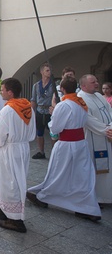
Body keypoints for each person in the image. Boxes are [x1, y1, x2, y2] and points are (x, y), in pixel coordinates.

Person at [28, 76, 101, 222]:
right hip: (81, 143)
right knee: (82, 177)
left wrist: (54, 112)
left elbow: (55, 128)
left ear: (62, 89)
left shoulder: (64, 105)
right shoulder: (81, 102)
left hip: (66, 144)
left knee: (58, 174)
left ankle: (44, 196)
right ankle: (86, 206)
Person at [0, 78, 36, 233]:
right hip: (23, 147)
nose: (1, 91)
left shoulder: (7, 110)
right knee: (13, 180)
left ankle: (15, 220)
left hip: (10, 149)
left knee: (10, 182)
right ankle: (3, 208)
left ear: (10, 92)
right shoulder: (27, 107)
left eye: (2, 89)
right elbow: (32, 132)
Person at [78, 74, 112, 205]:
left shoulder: (98, 96)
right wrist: (106, 130)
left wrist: (111, 127)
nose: (97, 83)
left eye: (96, 81)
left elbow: (110, 111)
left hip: (108, 137)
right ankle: (96, 197)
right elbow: (87, 120)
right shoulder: (81, 98)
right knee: (95, 168)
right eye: (93, 82)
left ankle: (107, 195)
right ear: (83, 86)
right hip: (93, 140)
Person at [30, 63, 55, 159]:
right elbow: (33, 99)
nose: (49, 73)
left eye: (50, 70)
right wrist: (32, 113)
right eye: (47, 70)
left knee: (53, 133)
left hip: (50, 110)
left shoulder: (53, 85)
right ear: (41, 72)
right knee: (39, 133)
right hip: (40, 110)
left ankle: (54, 152)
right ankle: (41, 151)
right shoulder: (36, 85)